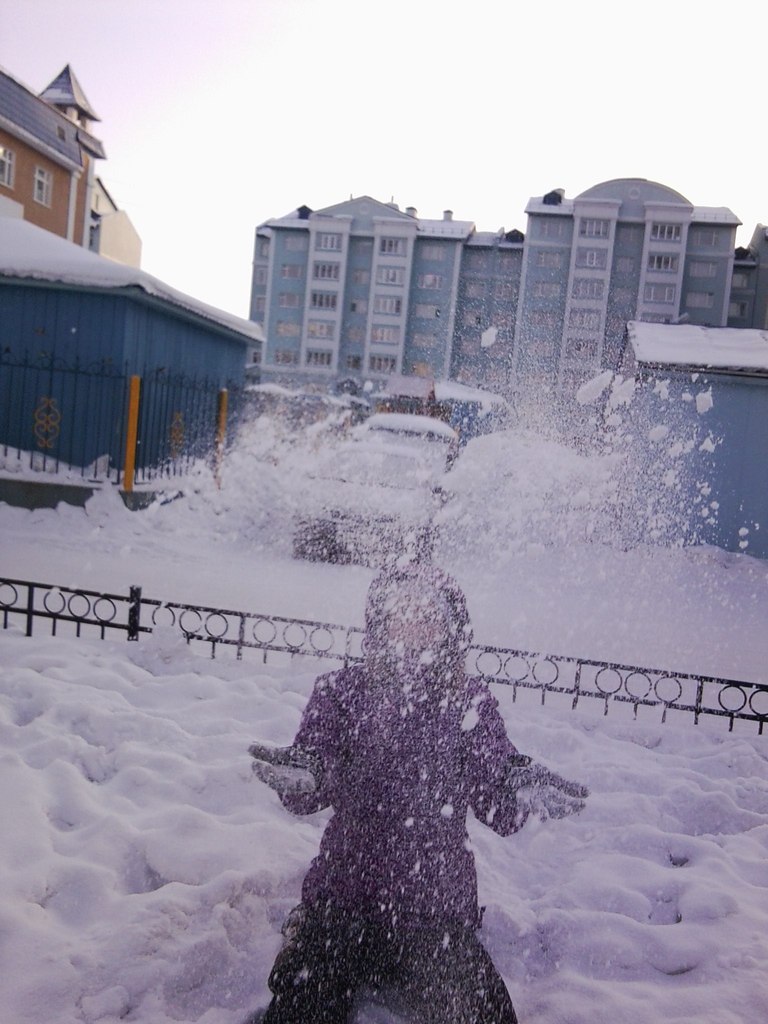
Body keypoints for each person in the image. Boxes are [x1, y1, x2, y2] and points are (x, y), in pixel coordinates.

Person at [247, 561, 588, 1024]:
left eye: (428, 613)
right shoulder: (341, 691)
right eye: (400, 611)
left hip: (435, 917)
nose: (413, 623)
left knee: (484, 1016)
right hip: (343, 905)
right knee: (300, 1010)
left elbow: (493, 787)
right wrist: (305, 777)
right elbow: (316, 764)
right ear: (379, 622)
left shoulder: (469, 702)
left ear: (450, 629)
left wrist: (515, 786)